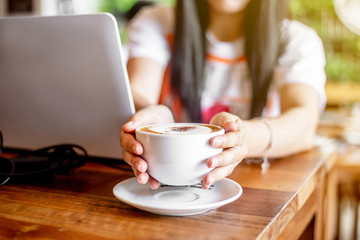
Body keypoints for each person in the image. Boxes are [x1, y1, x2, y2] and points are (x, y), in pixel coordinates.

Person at [120, 0, 327, 189]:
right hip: (167, 186)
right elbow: (138, 92)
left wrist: (242, 137)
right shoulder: (155, 23)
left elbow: (305, 124)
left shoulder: (296, 41)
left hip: (261, 188)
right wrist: (150, 119)